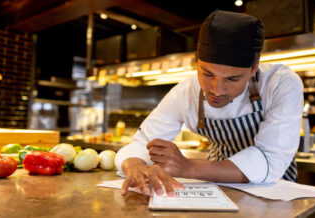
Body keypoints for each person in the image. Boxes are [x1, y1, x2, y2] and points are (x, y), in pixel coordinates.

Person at [114, 10, 304, 197]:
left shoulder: (280, 84)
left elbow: (270, 161)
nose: (216, 90)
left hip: (272, 192)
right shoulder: (185, 92)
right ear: (198, 64)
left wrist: (187, 166)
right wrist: (135, 165)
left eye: (232, 79)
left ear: (253, 70)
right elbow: (142, 143)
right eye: (208, 74)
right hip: (215, 187)